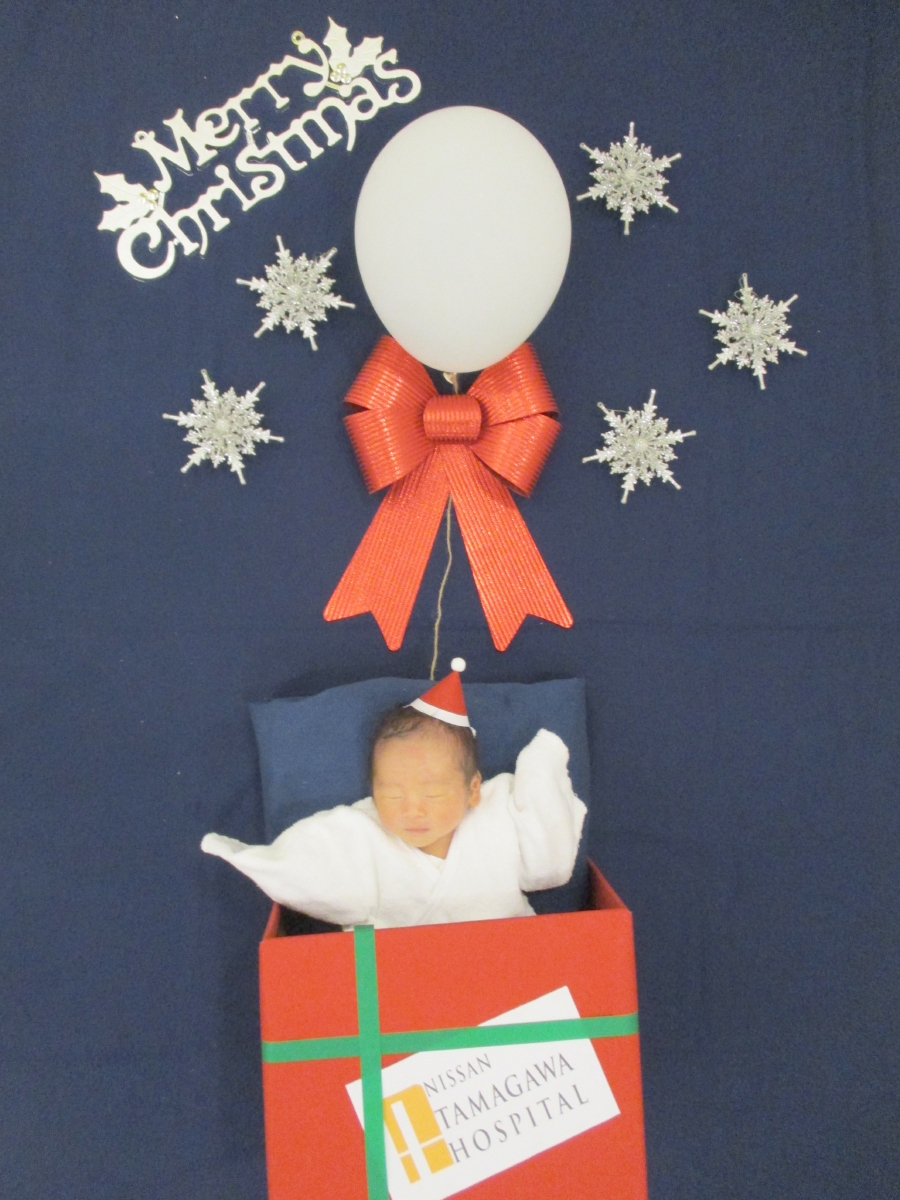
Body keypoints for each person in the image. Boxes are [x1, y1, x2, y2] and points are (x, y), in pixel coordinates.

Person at [201, 664, 586, 928]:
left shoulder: (498, 818)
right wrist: (261, 861)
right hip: (403, 992)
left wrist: (542, 770)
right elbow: (314, 862)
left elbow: (548, 865)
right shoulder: (363, 839)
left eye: (433, 793)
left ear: (472, 790)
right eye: (393, 795)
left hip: (511, 972)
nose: (412, 810)